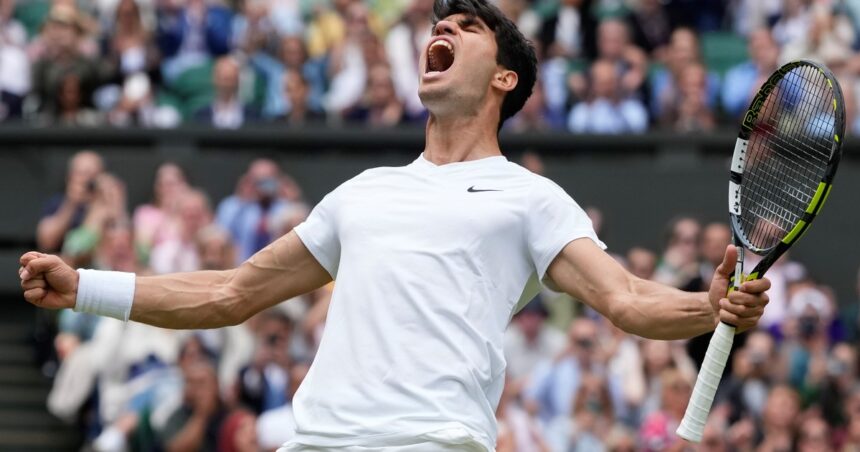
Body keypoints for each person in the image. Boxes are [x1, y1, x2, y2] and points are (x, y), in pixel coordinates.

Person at [18, 1, 771, 451]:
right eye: (440, 22)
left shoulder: (530, 198)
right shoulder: (364, 193)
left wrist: (707, 309)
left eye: (467, 26)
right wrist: (86, 286)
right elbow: (228, 292)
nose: (441, 25)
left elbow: (630, 300)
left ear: (505, 79)